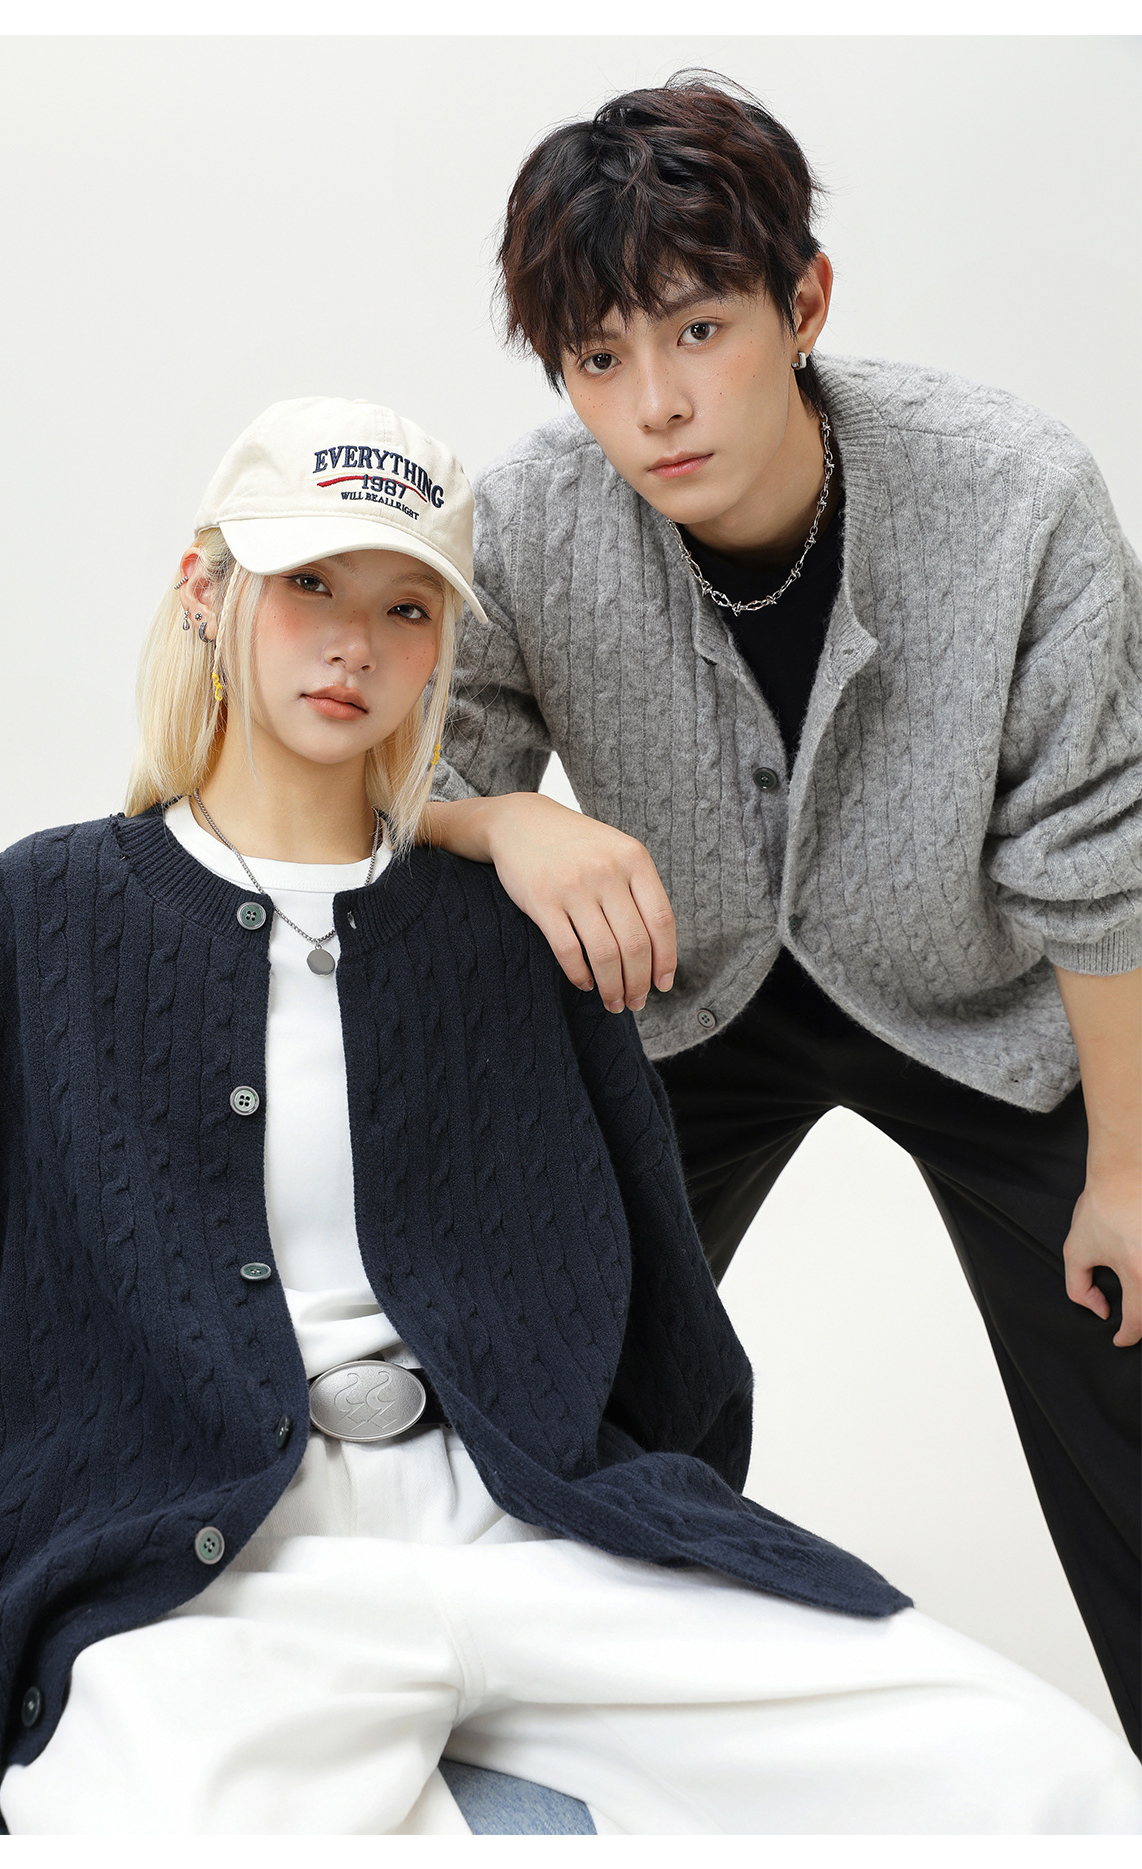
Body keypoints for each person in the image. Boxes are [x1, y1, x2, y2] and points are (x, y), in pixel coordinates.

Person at [0, 395, 1139, 1836]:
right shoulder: (41, 916)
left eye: (404, 608)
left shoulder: (509, 936)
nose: (354, 643)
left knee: (1048, 1780)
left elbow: (661, 1316)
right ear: (206, 591)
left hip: (532, 1531)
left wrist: (643, 1510)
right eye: (309, 583)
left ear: (442, 649)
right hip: (214, 1580)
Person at [422, 73, 1142, 1754]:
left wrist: (1126, 1165)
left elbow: (1099, 846)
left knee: (1132, 1332)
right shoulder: (530, 520)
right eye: (600, 359)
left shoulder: (1014, 492)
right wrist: (510, 814)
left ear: (803, 303)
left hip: (988, 1002)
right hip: (682, 1000)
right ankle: (584, 1755)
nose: (657, 403)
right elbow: (399, 770)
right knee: (563, 1374)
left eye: (699, 329)